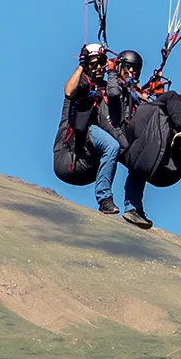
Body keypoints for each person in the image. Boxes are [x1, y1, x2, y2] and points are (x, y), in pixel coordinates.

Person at [60, 44, 151, 230]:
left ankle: (133, 208)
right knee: (112, 146)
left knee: (137, 157)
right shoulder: (83, 82)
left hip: (103, 133)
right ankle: (104, 199)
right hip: (82, 135)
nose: (100, 68)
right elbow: (69, 91)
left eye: (102, 63)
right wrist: (82, 66)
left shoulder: (107, 85)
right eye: (95, 64)